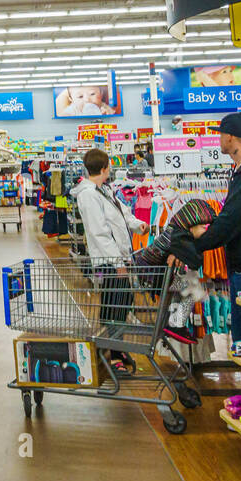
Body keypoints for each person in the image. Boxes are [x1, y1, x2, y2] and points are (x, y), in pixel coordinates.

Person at [178, 113, 241, 396]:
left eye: (221, 134)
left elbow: (232, 220)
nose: (219, 138)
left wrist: (197, 243)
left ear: (231, 138)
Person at [75, 148, 148, 372]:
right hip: (108, 262)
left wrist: (138, 224)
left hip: (119, 258)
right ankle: (114, 351)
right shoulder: (88, 194)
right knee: (114, 306)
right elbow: (99, 233)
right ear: (105, 167)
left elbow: (122, 213)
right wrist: (117, 264)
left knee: (121, 303)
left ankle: (113, 346)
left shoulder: (104, 190)